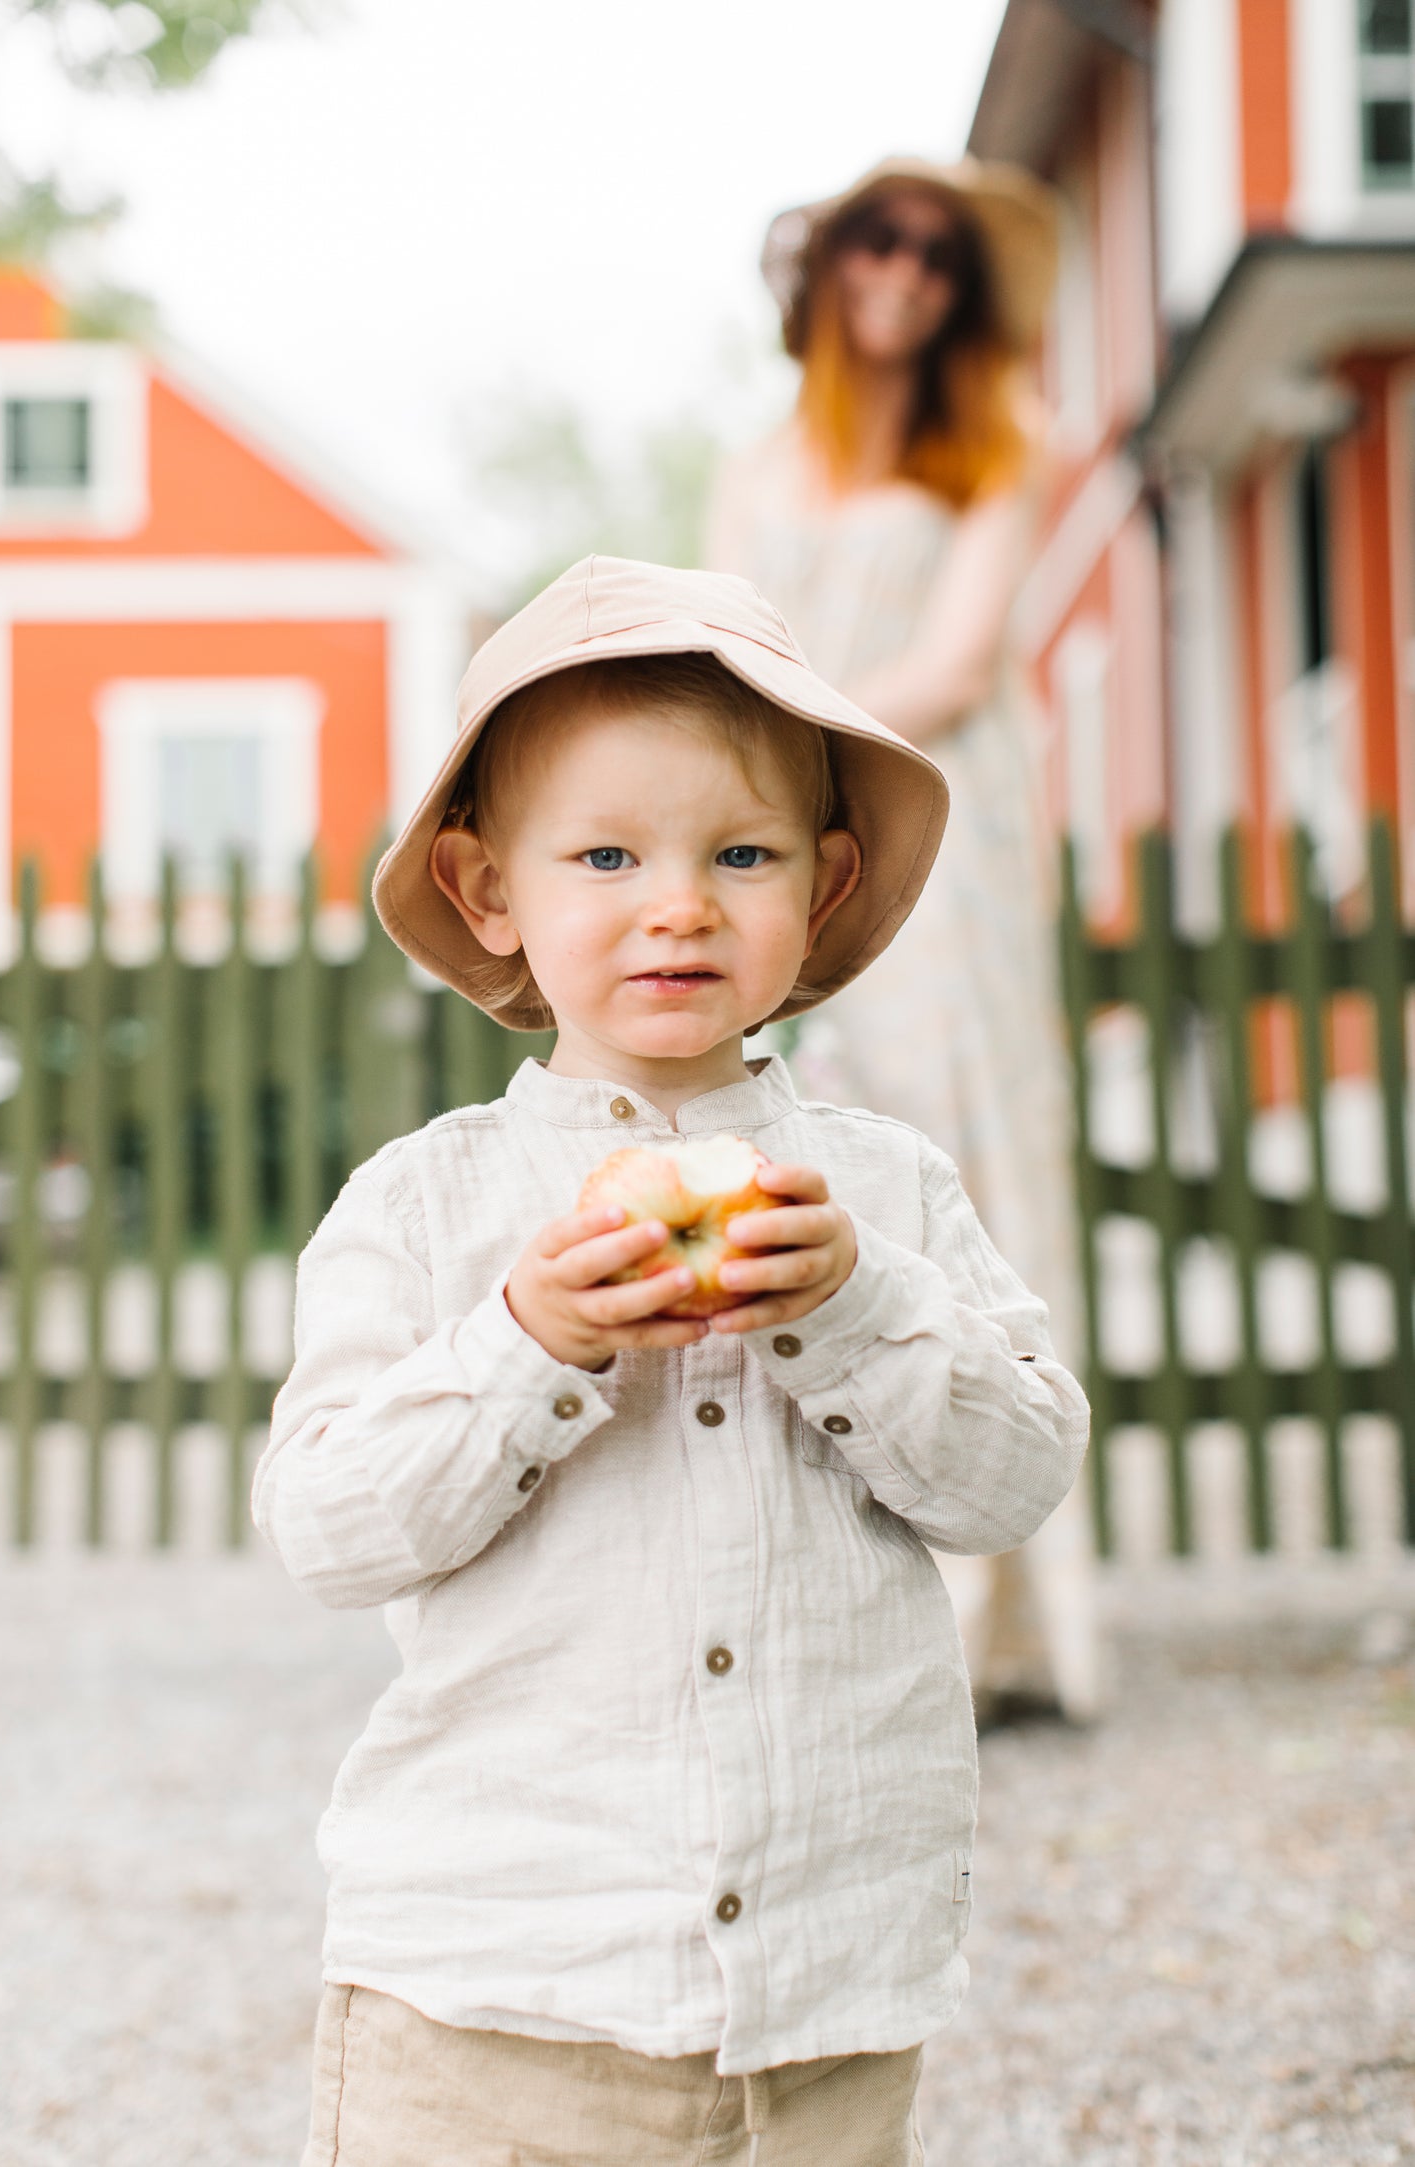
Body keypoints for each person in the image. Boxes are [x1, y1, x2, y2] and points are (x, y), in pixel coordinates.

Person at [254, 556, 1088, 2167]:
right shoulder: (427, 1210)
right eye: (607, 854)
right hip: (493, 2005)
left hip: (819, 2003)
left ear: (825, 887)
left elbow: (1012, 1480)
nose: (680, 901)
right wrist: (524, 1343)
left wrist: (850, 1306)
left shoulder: (884, 1192)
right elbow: (331, 1530)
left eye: (743, 852)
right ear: (490, 892)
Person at [708, 156, 1099, 1723]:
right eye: (879, 238)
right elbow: (726, 641)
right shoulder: (749, 471)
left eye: (938, 254)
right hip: (794, 819)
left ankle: (1010, 1614)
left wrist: (809, 764)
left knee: (965, 1151)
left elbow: (952, 662)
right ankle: (838, 1597)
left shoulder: (995, 454)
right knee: (812, 1150)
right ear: (827, 269)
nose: (906, 271)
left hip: (939, 819)